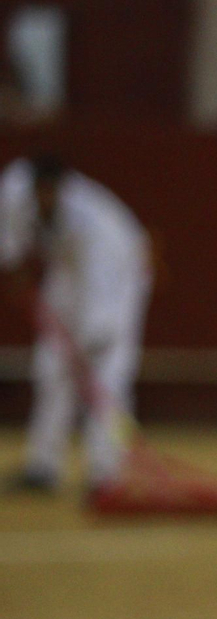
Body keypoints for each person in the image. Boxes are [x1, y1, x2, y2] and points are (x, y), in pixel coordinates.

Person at [1, 155, 151, 495]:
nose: (43, 200)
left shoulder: (98, 228)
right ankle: (43, 466)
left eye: (50, 193)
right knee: (50, 367)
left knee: (109, 376)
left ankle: (105, 473)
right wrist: (13, 266)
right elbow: (10, 238)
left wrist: (87, 348)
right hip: (66, 269)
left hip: (122, 272)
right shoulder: (15, 189)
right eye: (38, 193)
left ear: (63, 190)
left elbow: (103, 312)